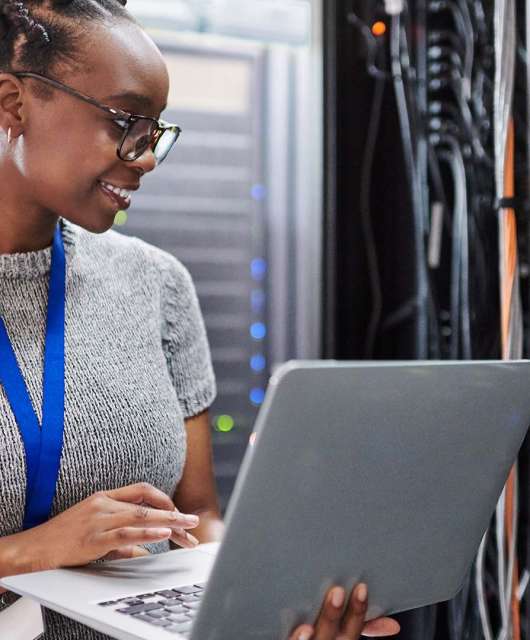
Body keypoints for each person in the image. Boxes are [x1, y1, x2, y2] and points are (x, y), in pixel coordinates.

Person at [0, 1, 401, 638]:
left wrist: (265, 608)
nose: (147, 156)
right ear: (14, 104)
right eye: (126, 121)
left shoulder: (157, 283)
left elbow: (198, 521)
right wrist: (28, 551)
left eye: (155, 130)